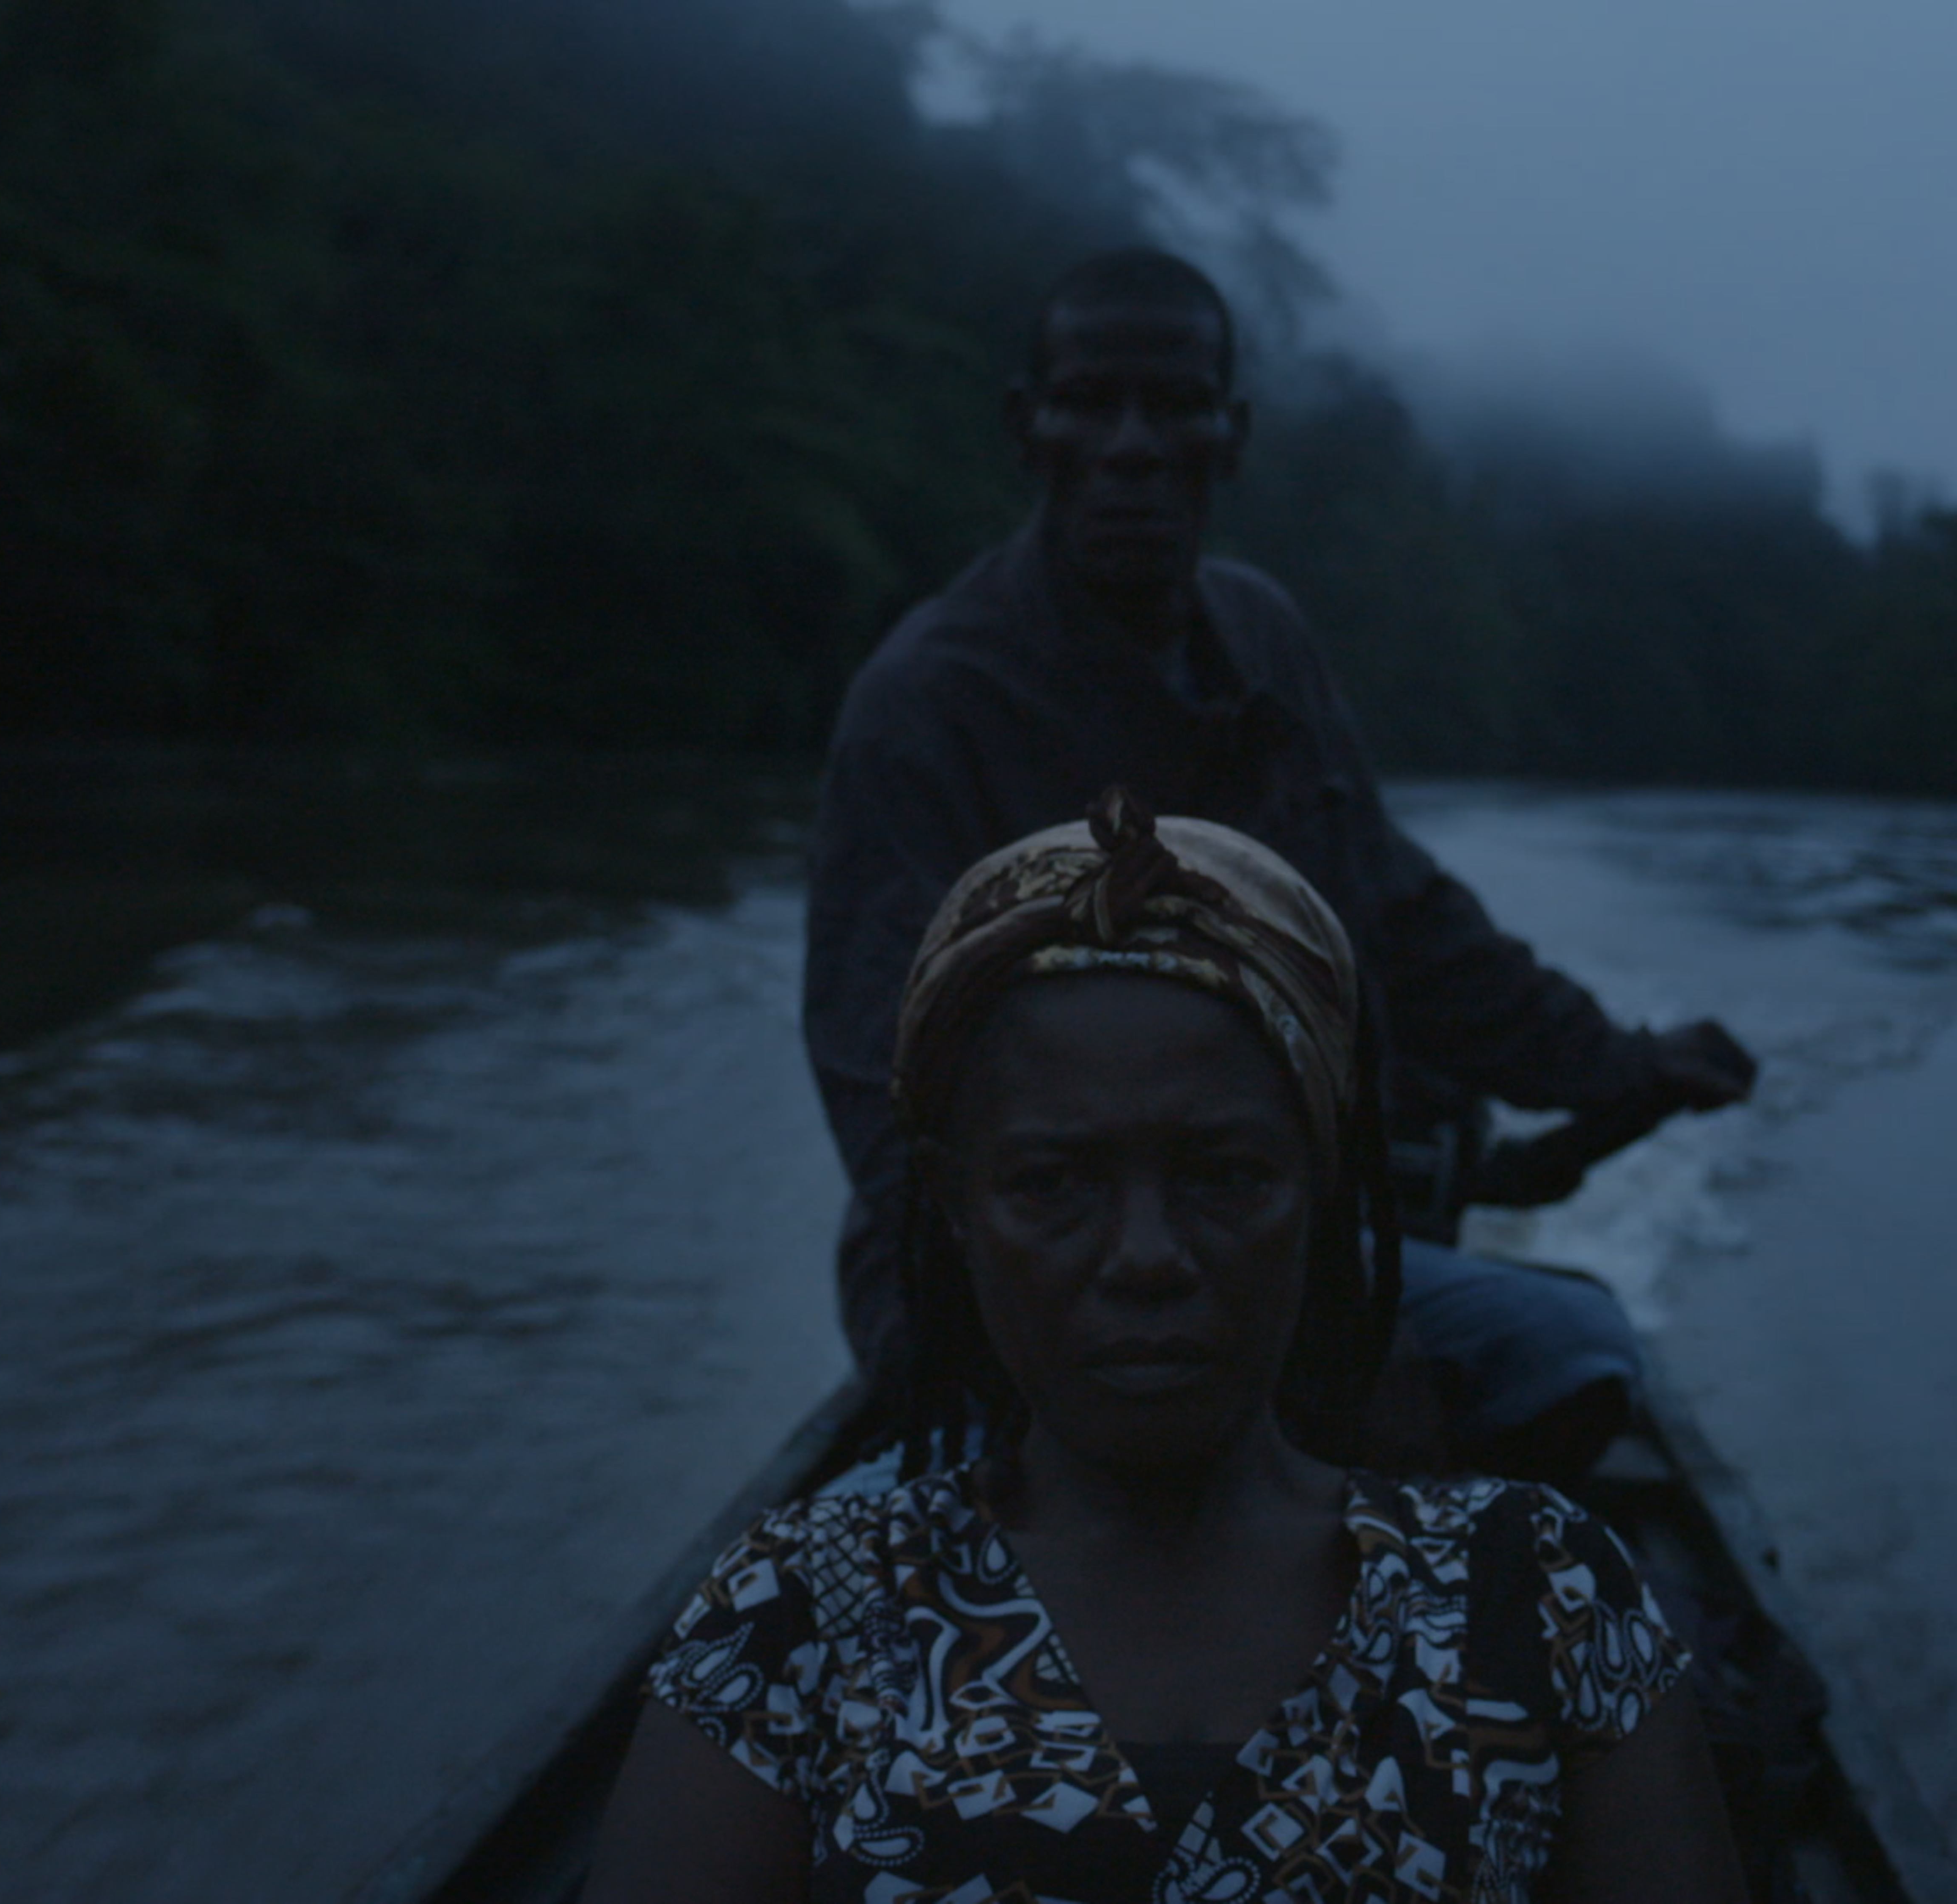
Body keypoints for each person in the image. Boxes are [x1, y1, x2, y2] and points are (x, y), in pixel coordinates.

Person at [590, 793, 1746, 1901]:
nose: (1146, 1254)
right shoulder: (798, 1608)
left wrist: (1618, 1065)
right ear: (953, 1203)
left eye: (1226, 1175)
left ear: (1324, 1187)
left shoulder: (1543, 1593)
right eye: (1052, 1183)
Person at [804, 246, 1756, 1473]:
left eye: (1175, 405)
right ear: (1026, 429)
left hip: (1253, 1236)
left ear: (1231, 433)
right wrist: (1071, 1301)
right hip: (1008, 1274)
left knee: (1577, 1353)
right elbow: (875, 1068)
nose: (1135, 448)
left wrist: (1617, 1061)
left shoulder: (1263, 638)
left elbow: (1402, 918)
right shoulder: (932, 700)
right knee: (1081, 1494)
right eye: (1091, 404)